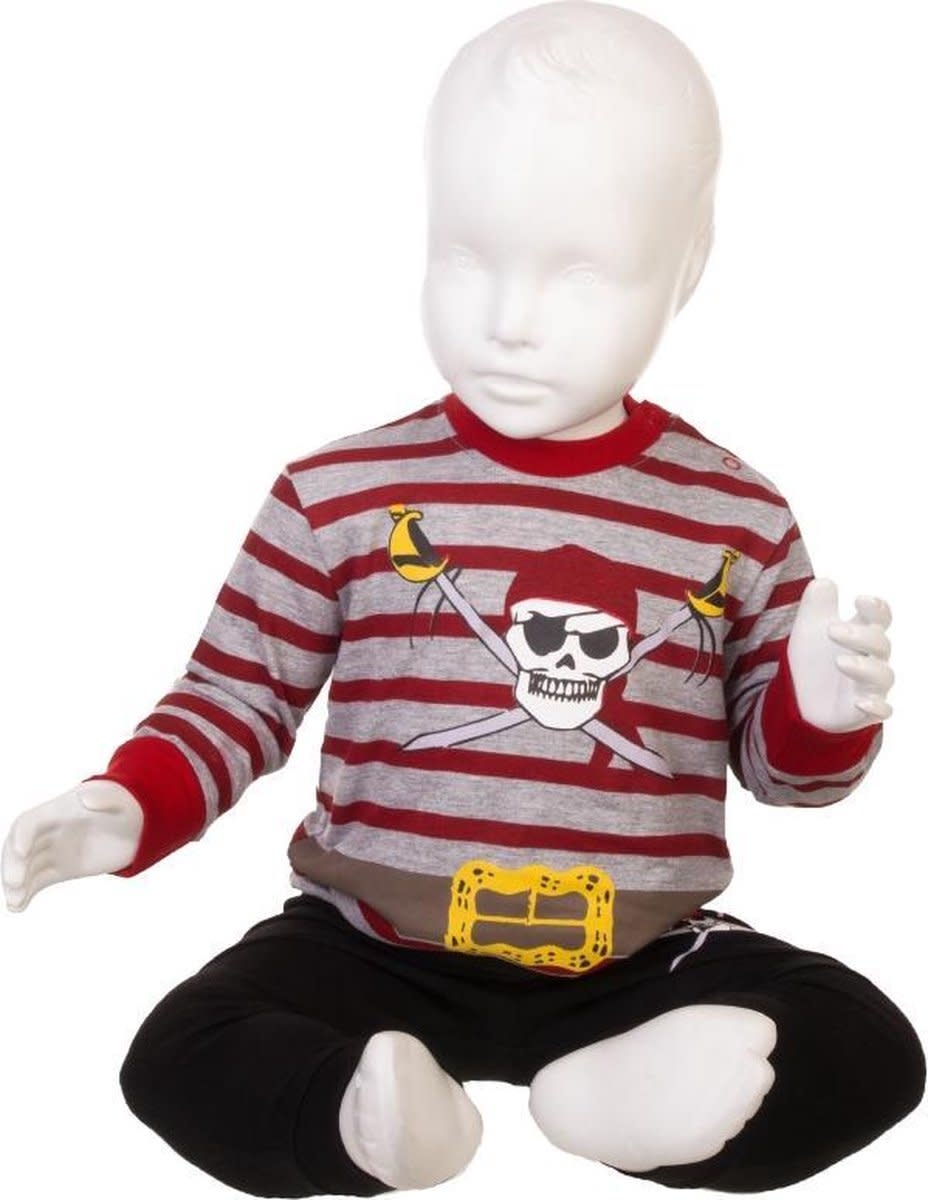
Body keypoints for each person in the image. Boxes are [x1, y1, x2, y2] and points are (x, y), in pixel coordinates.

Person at [3, 3, 923, 1195]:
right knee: (179, 1053)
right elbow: (236, 698)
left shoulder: (734, 516)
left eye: (579, 273)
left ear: (686, 266)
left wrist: (821, 712)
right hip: (367, 948)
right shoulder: (337, 494)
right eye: (466, 258)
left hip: (639, 962)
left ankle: (619, 1099)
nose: (508, 322)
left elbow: (787, 776)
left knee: (867, 1045)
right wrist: (131, 803)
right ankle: (378, 1116)